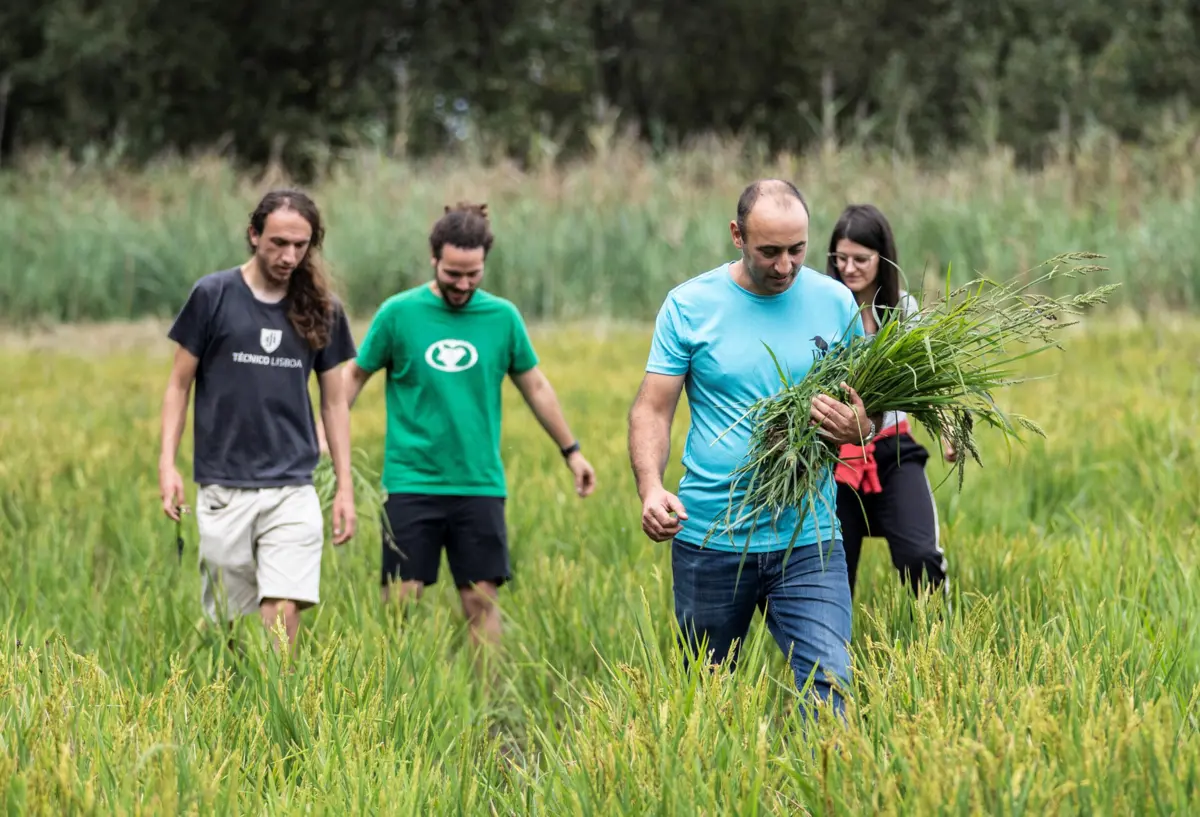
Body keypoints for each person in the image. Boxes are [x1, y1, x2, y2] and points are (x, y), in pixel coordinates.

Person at [627, 179, 877, 715]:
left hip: (808, 536)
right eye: (769, 251)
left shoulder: (836, 302)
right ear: (737, 236)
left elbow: (866, 404)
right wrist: (650, 488)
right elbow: (652, 408)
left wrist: (861, 427)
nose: (785, 266)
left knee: (829, 684)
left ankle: (825, 792)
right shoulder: (690, 305)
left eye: (797, 250)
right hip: (711, 535)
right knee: (706, 696)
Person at [330, 201, 596, 652]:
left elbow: (534, 385)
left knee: (480, 600)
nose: (463, 284)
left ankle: (486, 711)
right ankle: (399, 704)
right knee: (400, 600)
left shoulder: (502, 317)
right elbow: (353, 375)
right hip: (411, 478)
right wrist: (323, 435)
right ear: (434, 259)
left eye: (473, 273)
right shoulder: (399, 313)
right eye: (453, 273)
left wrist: (571, 451)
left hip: (478, 482)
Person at [158, 188, 358, 653]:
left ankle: (278, 705)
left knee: (281, 607)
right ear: (254, 235)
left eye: (300, 245)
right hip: (224, 484)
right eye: (278, 243)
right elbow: (178, 385)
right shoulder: (213, 295)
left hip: (292, 484)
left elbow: (334, 404)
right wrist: (167, 464)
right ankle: (232, 700)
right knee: (229, 620)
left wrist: (344, 487)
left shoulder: (323, 308)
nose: (289, 255)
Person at [825, 203, 952, 600]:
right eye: (840, 258)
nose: (849, 268)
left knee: (919, 555)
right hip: (833, 457)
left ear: (883, 259)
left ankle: (937, 636)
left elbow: (931, 382)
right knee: (832, 569)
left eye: (860, 259)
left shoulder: (903, 311)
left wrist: (949, 432)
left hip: (893, 451)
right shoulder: (820, 310)